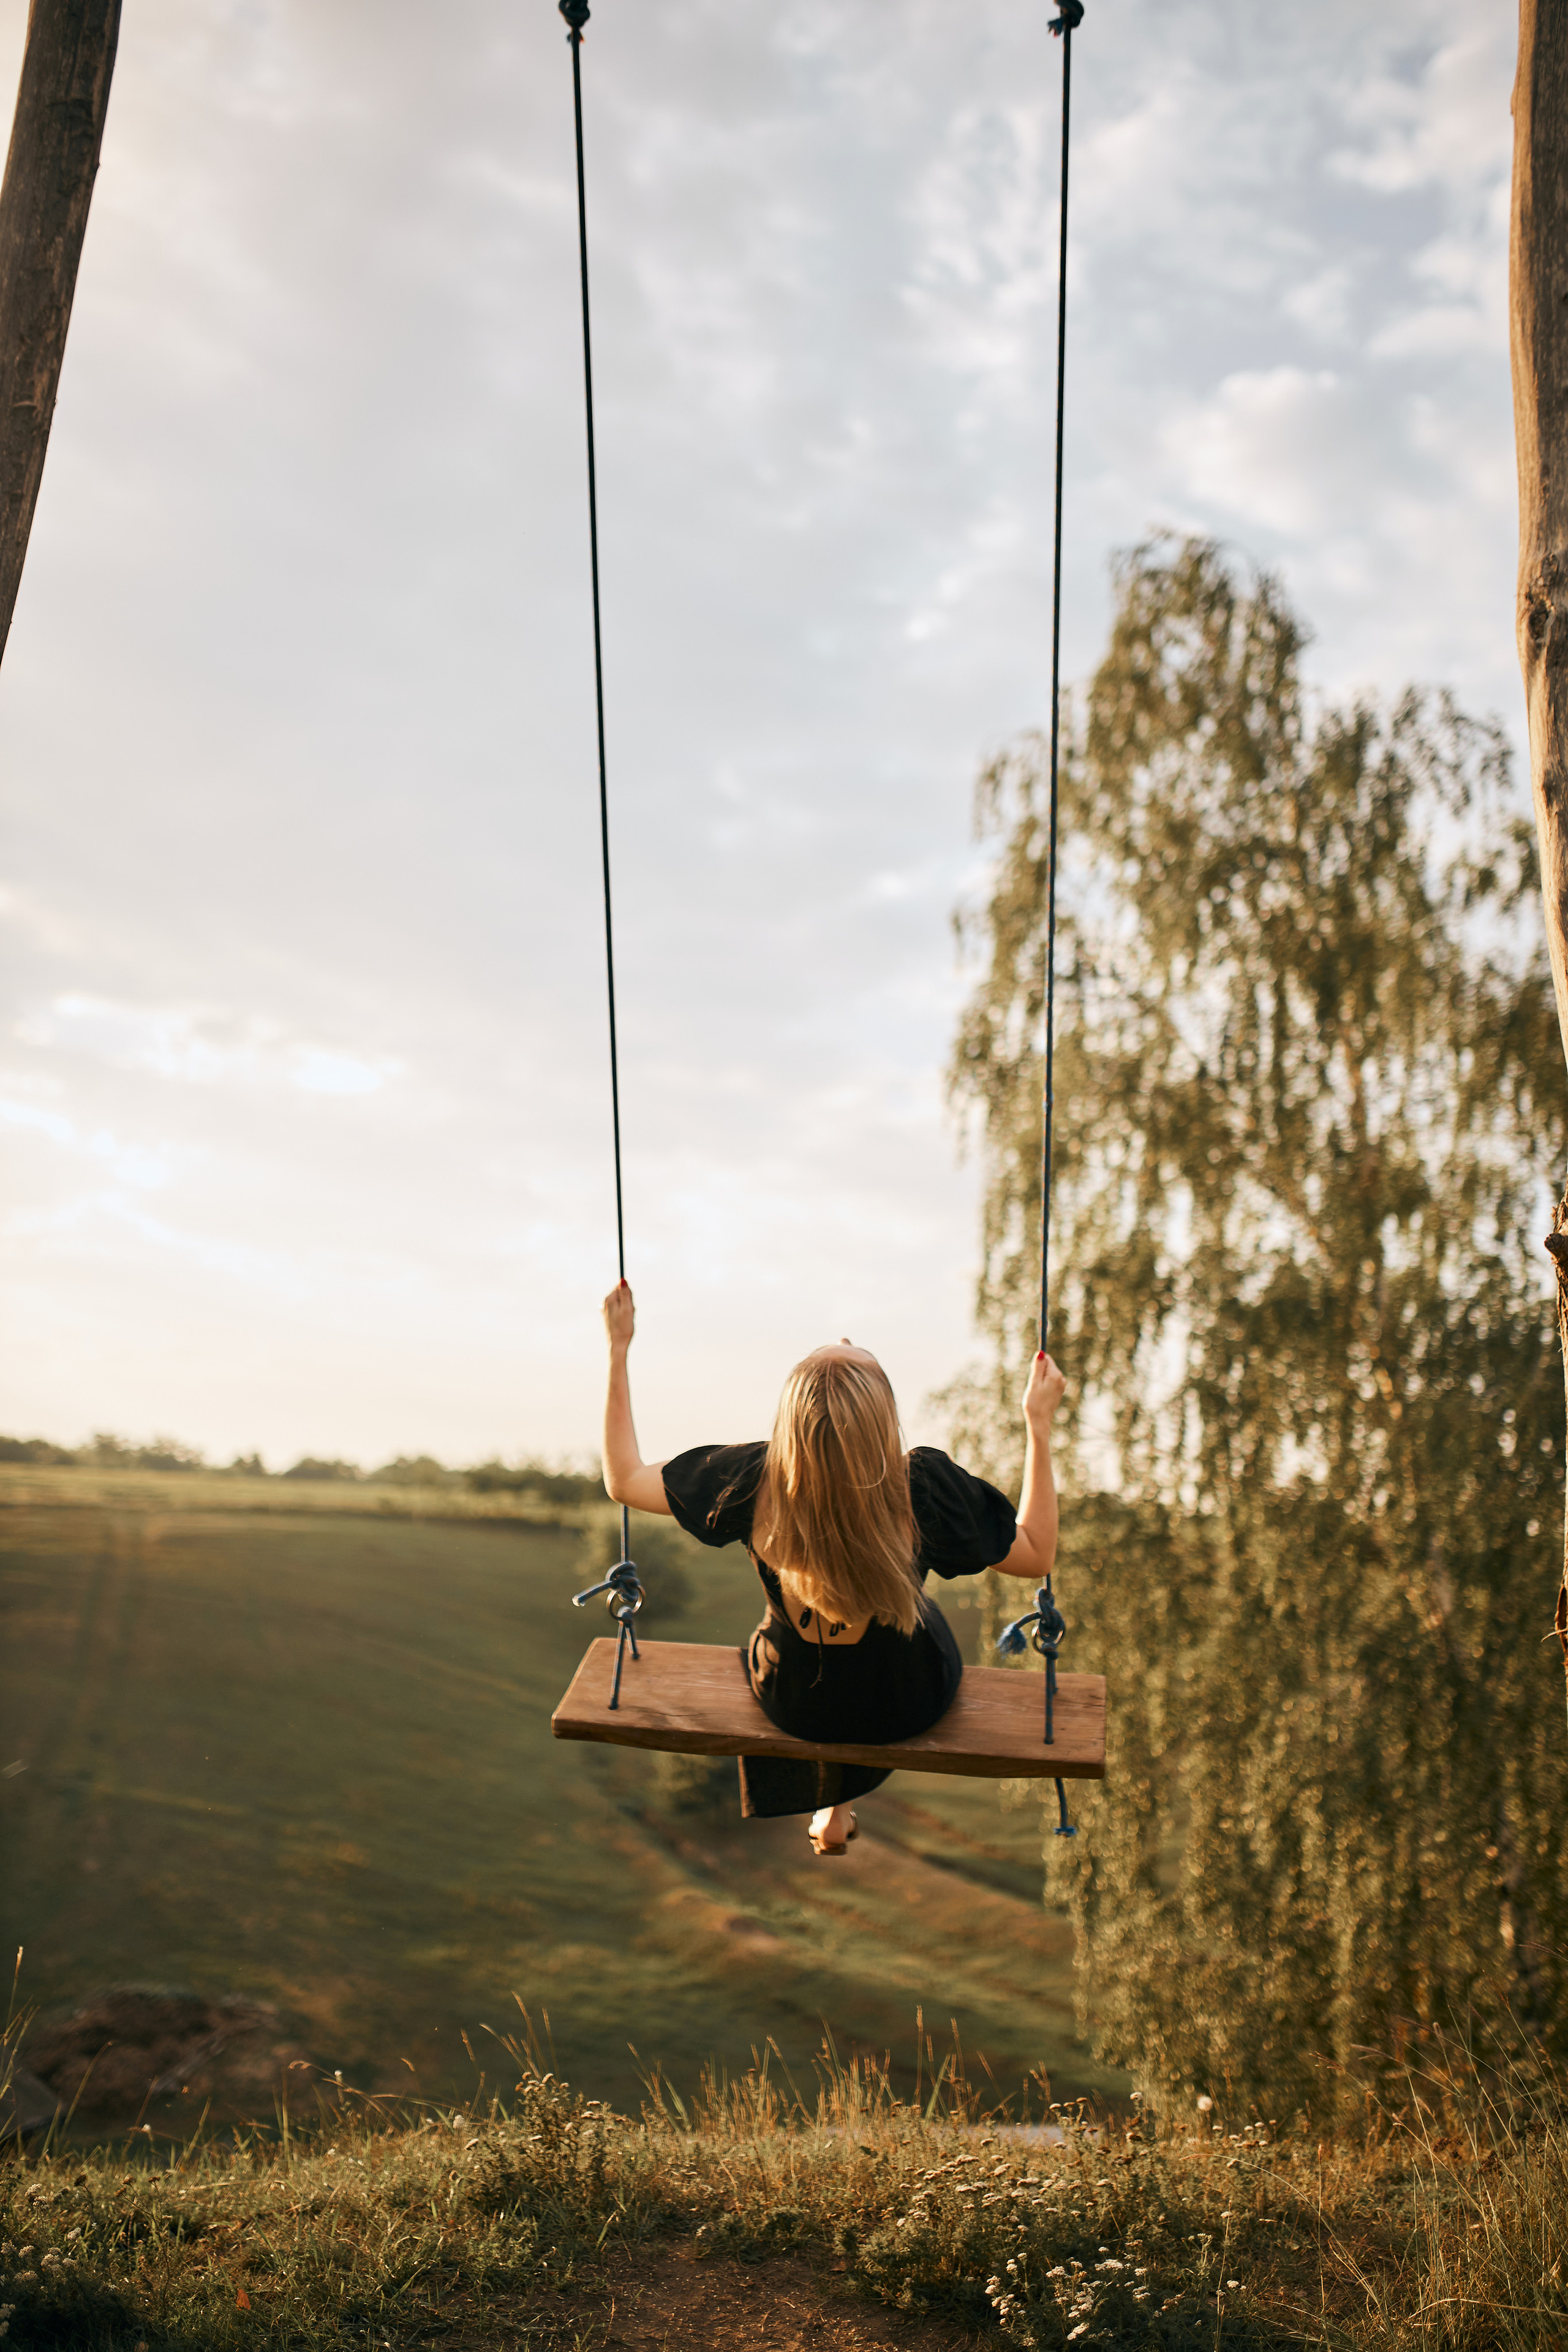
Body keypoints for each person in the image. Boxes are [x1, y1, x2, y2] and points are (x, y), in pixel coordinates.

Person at [600, 1281, 1066, 1856]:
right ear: (880, 1419)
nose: (844, 1337)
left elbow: (623, 1479)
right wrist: (1038, 1427)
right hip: (903, 1705)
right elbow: (1036, 1552)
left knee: (781, 1642)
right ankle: (835, 1805)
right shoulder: (922, 1490)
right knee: (920, 1619)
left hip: (793, 1702)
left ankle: (828, 1804)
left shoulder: (750, 1478)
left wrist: (619, 1348)